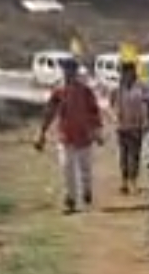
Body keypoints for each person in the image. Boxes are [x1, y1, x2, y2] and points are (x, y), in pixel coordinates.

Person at [35, 57, 104, 213]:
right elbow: (49, 113)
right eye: (65, 69)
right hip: (65, 137)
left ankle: (87, 191)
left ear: (75, 71)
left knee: (85, 169)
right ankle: (70, 200)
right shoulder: (58, 91)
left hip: (84, 137)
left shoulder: (85, 91)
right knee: (67, 169)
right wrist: (42, 133)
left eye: (71, 70)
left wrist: (97, 132)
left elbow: (94, 112)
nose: (68, 73)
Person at [108, 61, 149, 194]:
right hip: (122, 126)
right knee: (123, 155)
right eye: (125, 72)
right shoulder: (117, 88)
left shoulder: (141, 87)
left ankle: (133, 182)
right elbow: (111, 105)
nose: (128, 75)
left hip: (136, 126)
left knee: (134, 155)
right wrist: (114, 118)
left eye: (130, 72)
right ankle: (124, 181)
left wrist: (146, 121)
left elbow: (146, 104)